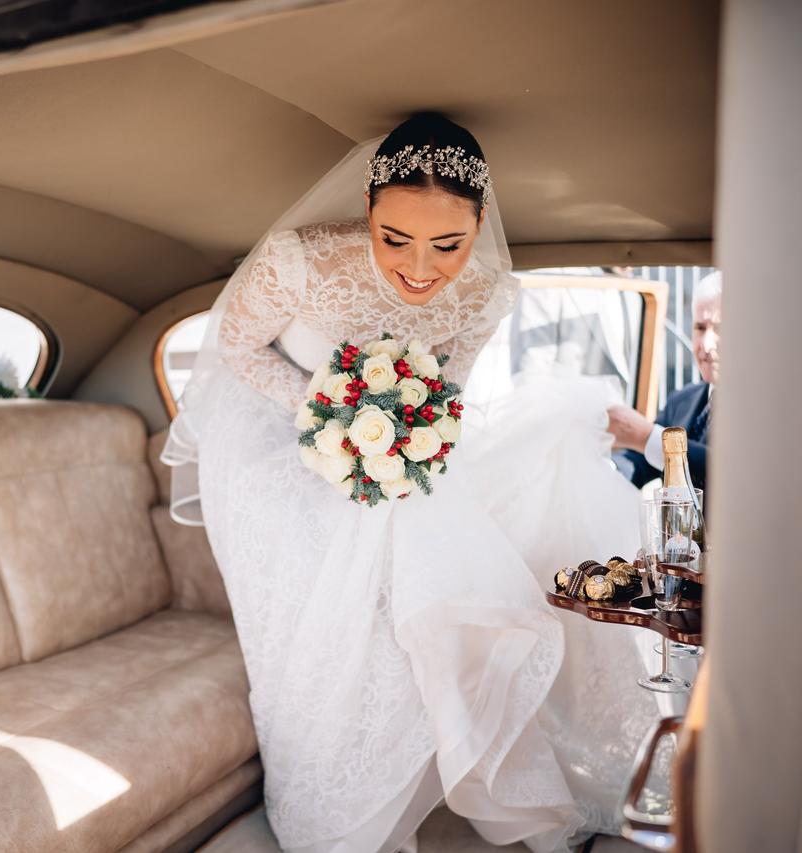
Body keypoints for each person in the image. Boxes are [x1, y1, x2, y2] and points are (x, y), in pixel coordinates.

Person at [163, 114, 661, 853]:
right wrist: (328, 410)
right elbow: (236, 345)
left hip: (392, 445)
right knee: (321, 624)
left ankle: (429, 778)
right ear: (368, 211)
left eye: (448, 244)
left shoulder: (487, 293)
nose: (420, 269)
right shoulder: (300, 260)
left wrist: (399, 437)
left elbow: (446, 395)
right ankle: (330, 807)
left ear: (480, 223)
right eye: (395, 238)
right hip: (271, 443)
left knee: (435, 577)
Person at [607, 271, 721, 489]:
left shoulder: (763, 410)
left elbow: (727, 470)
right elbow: (638, 462)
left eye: (721, 329)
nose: (706, 345)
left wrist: (648, 437)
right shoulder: (681, 401)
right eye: (700, 328)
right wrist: (606, 470)